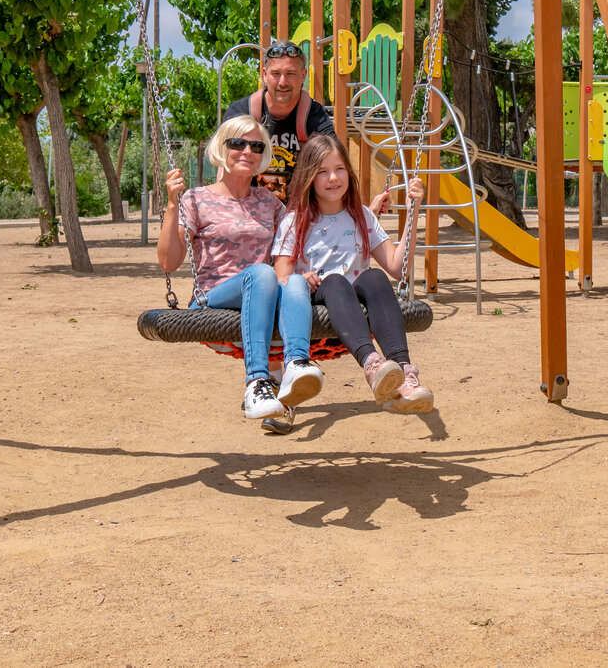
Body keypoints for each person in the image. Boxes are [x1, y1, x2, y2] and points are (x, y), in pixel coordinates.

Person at [158, 115, 324, 421]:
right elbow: (169, 262)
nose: (247, 150)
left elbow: (290, 249)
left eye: (256, 145)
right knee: (262, 274)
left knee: (288, 282)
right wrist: (172, 205)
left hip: (261, 295)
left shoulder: (269, 202)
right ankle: (256, 382)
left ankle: (292, 373)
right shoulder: (196, 199)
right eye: (237, 143)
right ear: (222, 148)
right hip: (213, 299)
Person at [272, 134, 434, 414]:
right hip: (319, 300)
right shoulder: (294, 221)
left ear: (349, 171)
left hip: (355, 304)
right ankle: (372, 365)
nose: (333, 178)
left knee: (375, 277)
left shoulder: (362, 216)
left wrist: (413, 211)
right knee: (335, 280)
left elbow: (397, 267)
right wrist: (300, 280)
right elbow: (281, 279)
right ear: (309, 177)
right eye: (322, 172)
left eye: (339, 169)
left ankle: (403, 374)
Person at [223, 39, 335, 203]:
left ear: (303, 76)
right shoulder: (241, 112)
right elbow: (223, 166)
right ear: (264, 75)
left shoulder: (314, 116)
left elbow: (334, 164)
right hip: (249, 211)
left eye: (290, 74)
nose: (282, 82)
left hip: (299, 212)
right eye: (275, 74)